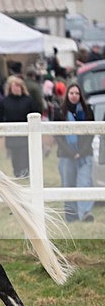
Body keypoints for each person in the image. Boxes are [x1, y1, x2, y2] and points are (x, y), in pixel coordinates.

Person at [54, 83, 95, 222]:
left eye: (77, 93)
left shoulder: (87, 110)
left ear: (80, 95)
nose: (74, 96)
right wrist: (71, 152)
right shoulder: (60, 112)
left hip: (85, 153)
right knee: (68, 184)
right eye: (71, 93)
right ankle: (71, 216)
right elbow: (57, 136)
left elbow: (91, 132)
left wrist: (81, 152)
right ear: (67, 95)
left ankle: (85, 213)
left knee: (85, 183)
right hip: (66, 155)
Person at [0, 75, 41, 178]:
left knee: (24, 153)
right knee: (15, 154)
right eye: (14, 86)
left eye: (18, 86)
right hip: (11, 132)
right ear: (10, 88)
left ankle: (25, 172)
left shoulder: (28, 100)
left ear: (22, 87)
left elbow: (36, 112)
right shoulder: (5, 101)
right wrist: (0, 130)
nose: (16, 88)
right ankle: (17, 172)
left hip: (26, 132)